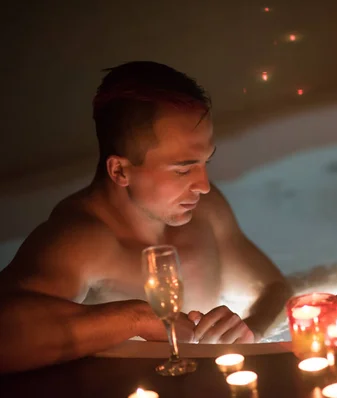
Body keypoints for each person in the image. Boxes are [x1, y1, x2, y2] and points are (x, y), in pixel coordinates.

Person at [0, 61, 293, 373]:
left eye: (206, 162)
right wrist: (136, 318)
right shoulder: (80, 240)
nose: (204, 185)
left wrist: (250, 328)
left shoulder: (206, 211)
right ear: (121, 171)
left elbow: (274, 288)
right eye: (183, 168)